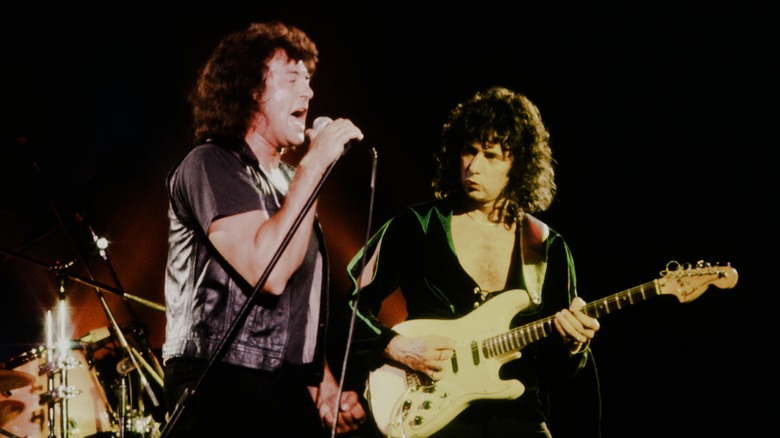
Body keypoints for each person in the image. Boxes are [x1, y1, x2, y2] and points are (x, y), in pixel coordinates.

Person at [340, 86, 601, 437]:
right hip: (427, 410)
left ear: (518, 165)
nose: (473, 166)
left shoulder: (547, 246)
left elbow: (557, 370)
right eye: (468, 151)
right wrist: (396, 346)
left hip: (516, 413)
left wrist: (574, 347)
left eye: (491, 155)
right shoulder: (417, 225)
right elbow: (348, 307)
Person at [161, 21, 366, 436]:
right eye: (292, 80)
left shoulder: (292, 182)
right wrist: (314, 164)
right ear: (251, 91)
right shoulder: (211, 164)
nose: (308, 93)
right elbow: (268, 273)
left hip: (282, 387)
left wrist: (321, 385)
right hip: (219, 380)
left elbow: (294, 305)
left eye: (309, 81)